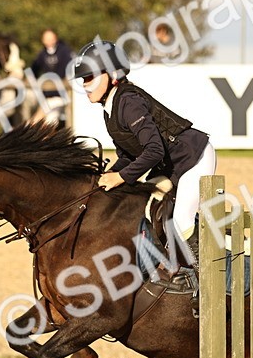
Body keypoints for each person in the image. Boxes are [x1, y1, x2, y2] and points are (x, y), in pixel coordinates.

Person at [70, 39, 215, 259]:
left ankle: (204, 277)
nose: (84, 84)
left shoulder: (128, 102)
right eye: (83, 79)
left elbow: (154, 150)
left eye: (89, 77)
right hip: (170, 164)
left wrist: (120, 177)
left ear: (112, 74)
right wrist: (108, 175)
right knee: (148, 209)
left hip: (193, 158)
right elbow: (128, 155)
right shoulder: (110, 107)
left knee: (181, 220)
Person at [31, 29, 72, 124]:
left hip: (62, 95)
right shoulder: (42, 54)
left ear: (55, 39)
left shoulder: (64, 51)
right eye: (46, 38)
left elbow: (68, 72)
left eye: (51, 38)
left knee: (42, 120)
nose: (49, 41)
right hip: (48, 96)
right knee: (47, 120)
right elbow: (34, 70)